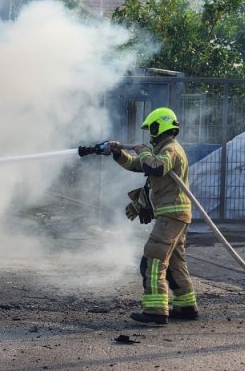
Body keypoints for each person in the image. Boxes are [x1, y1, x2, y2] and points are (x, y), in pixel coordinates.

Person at [81, 107, 199, 325]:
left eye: (152, 128)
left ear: (160, 126)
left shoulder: (170, 149)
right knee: (174, 261)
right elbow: (138, 165)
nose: (150, 134)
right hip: (175, 214)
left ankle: (155, 310)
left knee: (153, 259)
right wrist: (118, 153)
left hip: (172, 215)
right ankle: (186, 306)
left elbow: (157, 167)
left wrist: (142, 149)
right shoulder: (163, 148)